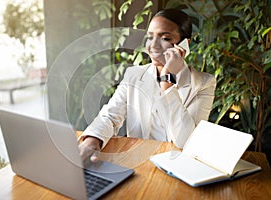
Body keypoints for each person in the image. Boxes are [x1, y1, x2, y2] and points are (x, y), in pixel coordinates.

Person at [78, 8, 216, 162]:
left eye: (165, 38)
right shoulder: (134, 75)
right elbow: (110, 116)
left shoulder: (203, 83)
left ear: (184, 44)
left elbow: (186, 142)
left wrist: (167, 82)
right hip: (138, 162)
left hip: (176, 167)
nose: (153, 45)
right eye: (150, 37)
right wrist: (92, 139)